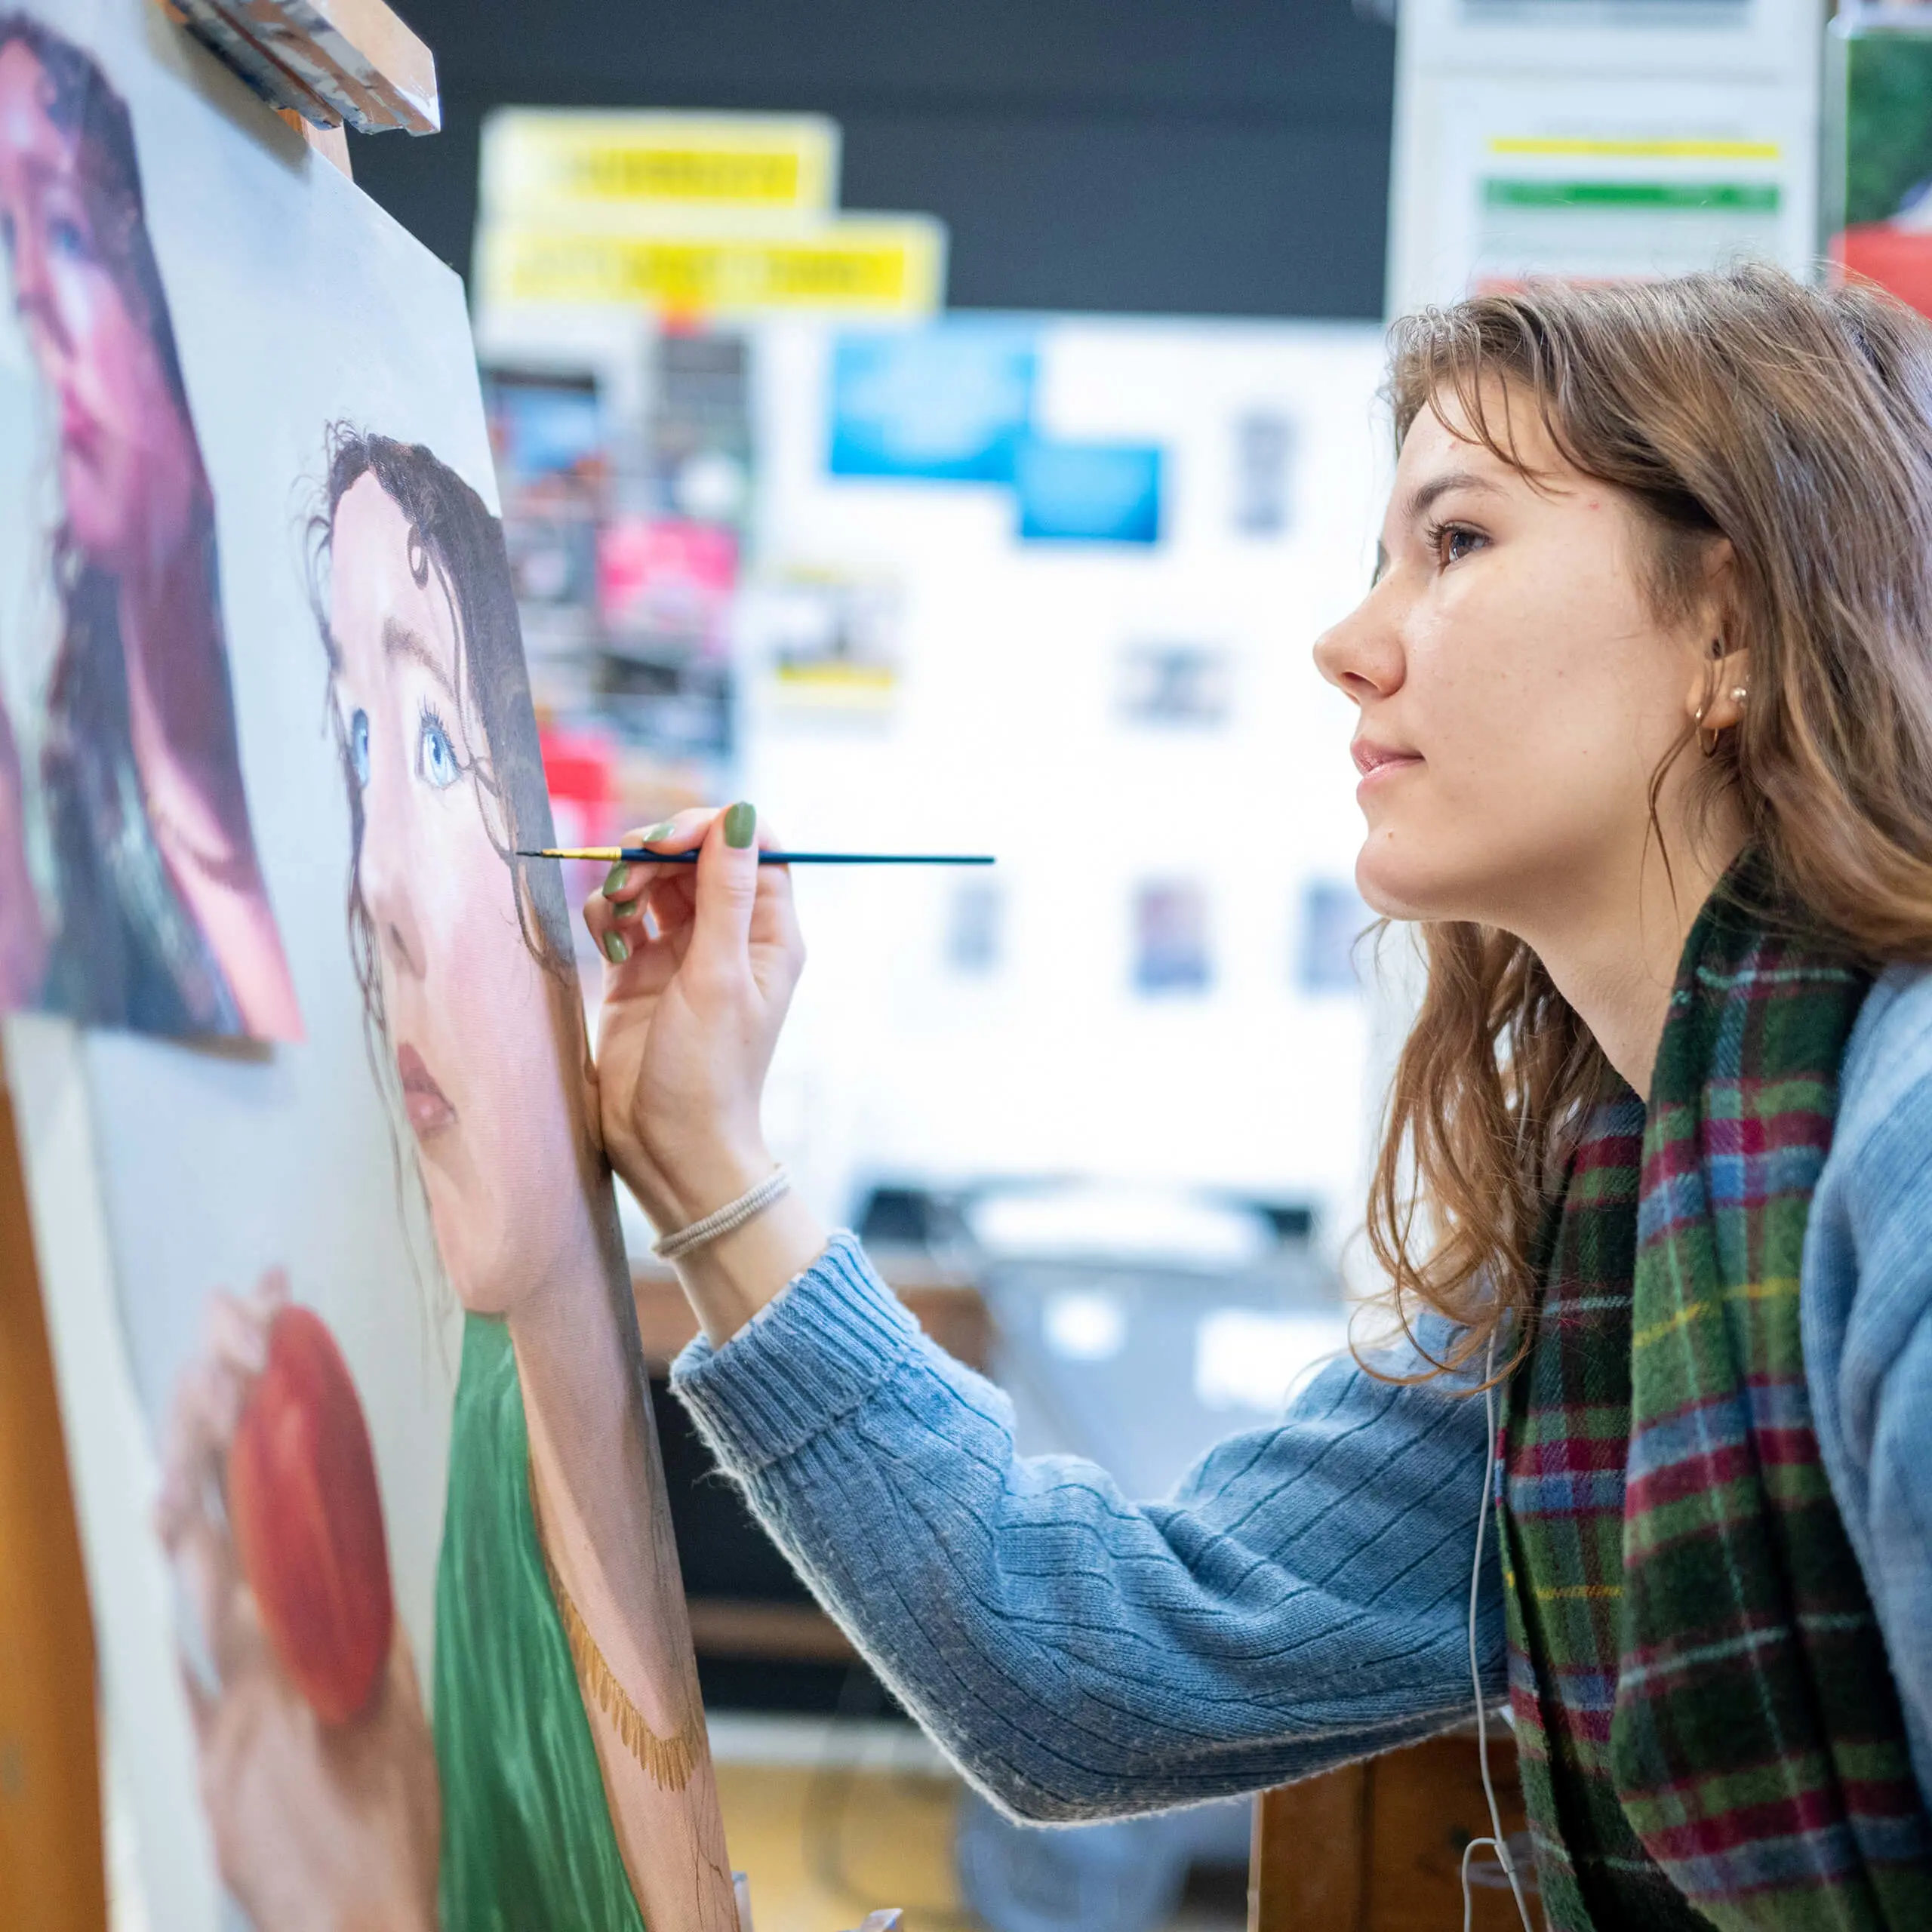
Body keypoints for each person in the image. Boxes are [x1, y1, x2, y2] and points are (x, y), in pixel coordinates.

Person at [582, 266, 1932, 1932]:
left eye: (1454, 542)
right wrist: (708, 1159)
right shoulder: (1619, 1237)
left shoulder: (1899, 1153)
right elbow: (1092, 1668)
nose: (1344, 644)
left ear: (1724, 628)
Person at [160, 430, 736, 1931]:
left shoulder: (517, 1433)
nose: (374, 882)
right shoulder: (472, 1456)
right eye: (361, 747)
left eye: (431, 740)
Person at [0, 16, 297, 1037]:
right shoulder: (41, 805)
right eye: (10, 240)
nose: (31, 297)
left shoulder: (334, 760)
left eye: (72, 231)